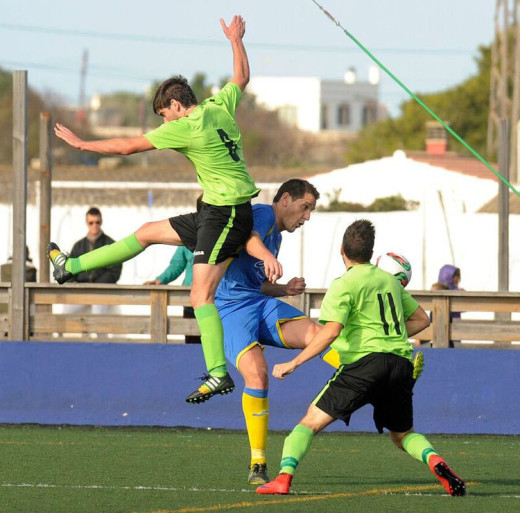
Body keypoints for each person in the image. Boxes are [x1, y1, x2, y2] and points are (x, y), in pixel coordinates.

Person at [47, 15, 281, 404]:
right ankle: (70, 268)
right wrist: (236, 40)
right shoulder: (219, 104)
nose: (164, 123)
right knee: (145, 233)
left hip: (225, 215)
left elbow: (126, 147)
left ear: (175, 105)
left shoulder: (185, 126)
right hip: (214, 212)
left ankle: (219, 374)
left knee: (200, 296)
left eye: (164, 115)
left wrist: (83, 145)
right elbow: (241, 76)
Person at [257, 219, 466, 497]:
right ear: (371, 252)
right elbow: (421, 320)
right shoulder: (390, 281)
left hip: (364, 366)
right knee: (403, 435)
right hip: (401, 364)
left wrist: (293, 363)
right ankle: (435, 460)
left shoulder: (343, 284)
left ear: (341, 249)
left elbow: (330, 332)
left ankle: (282, 478)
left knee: (309, 422)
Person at [215, 178, 342, 484]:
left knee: (315, 332)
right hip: (231, 310)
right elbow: (248, 239)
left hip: (258, 302)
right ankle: (258, 462)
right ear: (285, 198)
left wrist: (283, 289)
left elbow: (254, 282)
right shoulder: (262, 213)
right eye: (305, 207)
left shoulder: (277, 238)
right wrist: (267, 256)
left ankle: (362, 370)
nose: (307, 217)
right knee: (257, 375)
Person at [144, 196, 202, 344]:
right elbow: (176, 265)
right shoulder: (189, 236)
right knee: (192, 347)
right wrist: (160, 280)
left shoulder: (225, 237)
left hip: (217, 304)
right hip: (190, 304)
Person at [69, 207, 122, 285]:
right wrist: (75, 285)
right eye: (91, 222)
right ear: (86, 222)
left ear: (101, 222)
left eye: (97, 222)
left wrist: (97, 285)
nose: (94, 225)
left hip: (104, 290)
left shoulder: (111, 244)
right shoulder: (78, 246)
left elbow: (115, 271)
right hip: (80, 290)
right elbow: (70, 269)